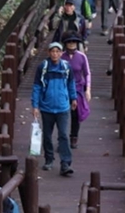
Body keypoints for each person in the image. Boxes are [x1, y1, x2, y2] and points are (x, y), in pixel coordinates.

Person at [32, 42, 77, 176]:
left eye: (58, 51)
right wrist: (35, 105)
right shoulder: (43, 67)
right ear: (48, 53)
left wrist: (73, 98)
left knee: (63, 135)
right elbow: (37, 87)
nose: (55, 54)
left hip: (63, 107)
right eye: (52, 51)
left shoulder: (66, 67)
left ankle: (65, 163)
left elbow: (71, 84)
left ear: (62, 53)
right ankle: (49, 159)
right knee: (47, 135)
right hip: (47, 107)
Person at [61, 33, 90, 150]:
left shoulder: (82, 57)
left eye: (74, 42)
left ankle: (74, 137)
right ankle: (62, 139)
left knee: (75, 114)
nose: (71, 44)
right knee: (61, 114)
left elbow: (87, 73)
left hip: (78, 87)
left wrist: (88, 89)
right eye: (69, 42)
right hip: (63, 88)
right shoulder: (61, 57)